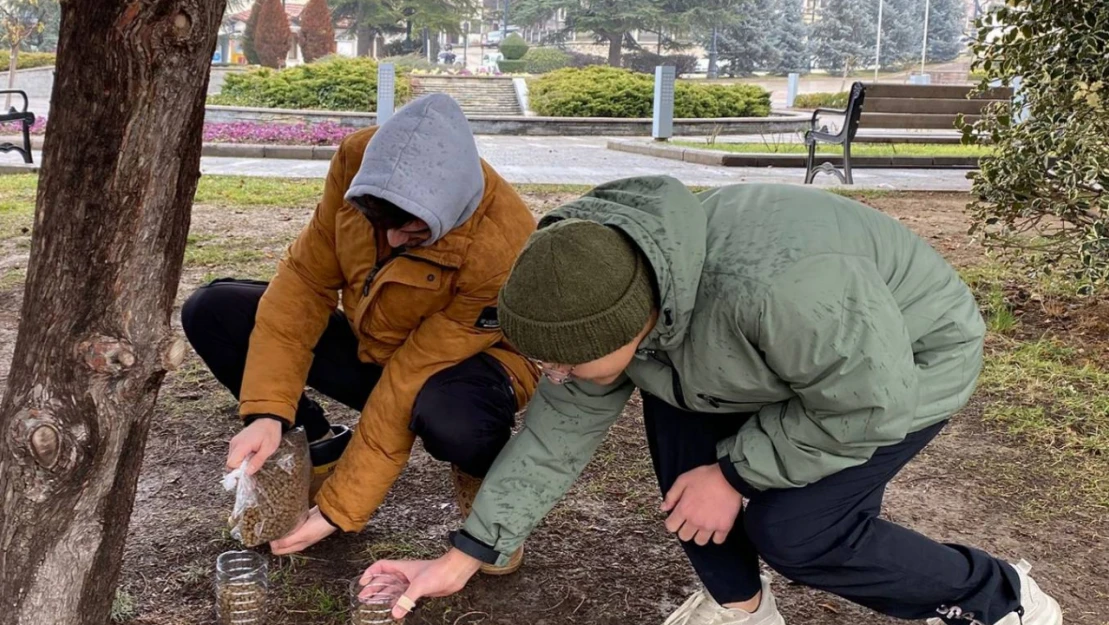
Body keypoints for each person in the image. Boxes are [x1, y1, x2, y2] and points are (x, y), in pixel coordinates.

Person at [364, 176, 1063, 625]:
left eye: (565, 360)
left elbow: (866, 406)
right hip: (751, 359)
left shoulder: (787, 290)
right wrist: (464, 554)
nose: (554, 375)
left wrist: (736, 474)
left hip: (900, 365)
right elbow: (555, 435)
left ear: (630, 325)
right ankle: (743, 610)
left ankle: (1001, 597)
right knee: (681, 436)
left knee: (800, 531)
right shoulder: (603, 276)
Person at [181, 94, 538, 572]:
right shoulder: (357, 164)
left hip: (468, 367)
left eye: (412, 232)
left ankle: (485, 492)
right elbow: (303, 287)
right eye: (379, 223)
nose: (390, 241)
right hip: (375, 343)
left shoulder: (502, 245)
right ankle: (319, 443)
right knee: (214, 310)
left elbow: (412, 375)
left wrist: (338, 510)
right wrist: (267, 411)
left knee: (455, 420)